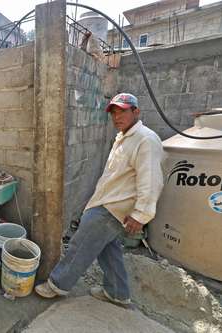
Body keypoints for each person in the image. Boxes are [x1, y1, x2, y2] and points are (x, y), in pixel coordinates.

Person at [35, 93, 165, 307]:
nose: (117, 116)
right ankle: (117, 292)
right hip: (107, 203)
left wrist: (141, 215)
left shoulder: (146, 139)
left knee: (81, 244)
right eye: (114, 112)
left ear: (136, 112)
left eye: (123, 110)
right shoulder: (124, 137)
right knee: (108, 248)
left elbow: (151, 181)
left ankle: (57, 284)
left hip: (112, 208)